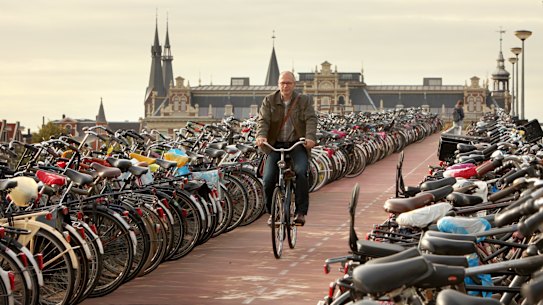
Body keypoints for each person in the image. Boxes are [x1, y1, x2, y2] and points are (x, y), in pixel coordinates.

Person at [255, 71, 318, 226]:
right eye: (283, 83)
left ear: (294, 84)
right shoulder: (269, 100)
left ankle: (300, 212)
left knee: (302, 173)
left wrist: (310, 137)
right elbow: (263, 120)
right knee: (268, 179)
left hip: (297, 144)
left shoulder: (303, 100)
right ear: (278, 84)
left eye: (289, 83)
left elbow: (311, 118)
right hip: (275, 145)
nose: (285, 86)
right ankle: (272, 212)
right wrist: (261, 136)